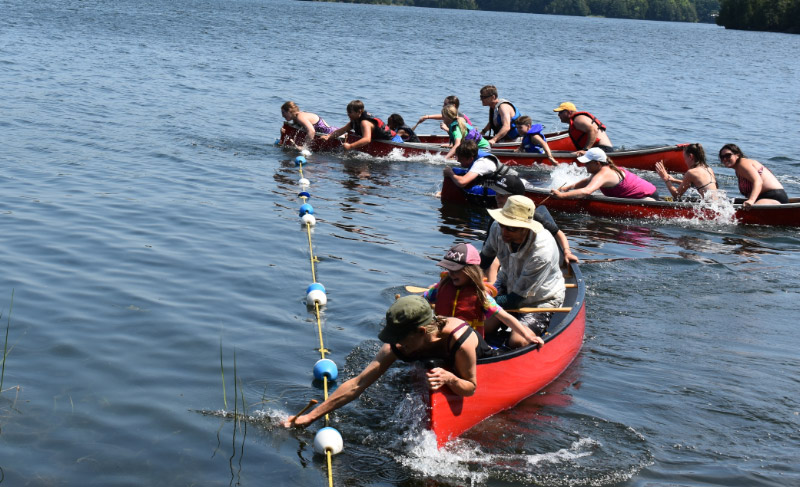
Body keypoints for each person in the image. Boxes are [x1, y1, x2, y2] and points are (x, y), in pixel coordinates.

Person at [283, 295, 494, 428]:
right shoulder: (398, 345)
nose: (395, 343)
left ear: (421, 331)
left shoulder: (461, 341)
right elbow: (358, 384)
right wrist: (310, 417)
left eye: (400, 338)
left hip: (477, 360)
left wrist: (450, 378)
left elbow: (470, 388)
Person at [423, 243, 543, 348]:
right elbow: (423, 301)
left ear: (470, 271)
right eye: (449, 269)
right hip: (443, 338)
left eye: (456, 270)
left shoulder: (480, 295)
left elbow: (505, 317)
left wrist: (527, 336)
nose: (452, 274)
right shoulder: (442, 286)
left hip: (469, 343)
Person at [479, 195, 566, 336]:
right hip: (507, 283)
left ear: (526, 228)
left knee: (518, 341)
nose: (504, 232)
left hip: (538, 299)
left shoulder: (542, 250)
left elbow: (516, 299)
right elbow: (483, 260)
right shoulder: (497, 227)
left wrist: (482, 301)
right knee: (480, 328)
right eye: (502, 225)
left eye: (511, 228)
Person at [487, 174, 579, 269]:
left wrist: (567, 252)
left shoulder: (529, 217)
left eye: (502, 195)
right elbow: (488, 250)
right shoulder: (495, 218)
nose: (497, 198)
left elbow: (558, 233)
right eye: (496, 194)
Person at [551, 148, 659, 200]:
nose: (585, 165)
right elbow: (586, 182)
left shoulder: (604, 173)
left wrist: (562, 196)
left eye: (587, 163)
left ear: (597, 163)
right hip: (649, 192)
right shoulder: (601, 170)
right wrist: (567, 188)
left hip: (647, 197)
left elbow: (587, 191)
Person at [718, 143, 788, 208]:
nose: (724, 159)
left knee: (749, 210)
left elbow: (758, 181)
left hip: (774, 197)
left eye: (728, 155)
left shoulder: (743, 163)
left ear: (737, 155)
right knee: (726, 203)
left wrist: (751, 200)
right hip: (761, 198)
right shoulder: (738, 170)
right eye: (722, 157)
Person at [320, 100, 403, 151]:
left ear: (359, 112)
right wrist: (329, 136)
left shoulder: (365, 122)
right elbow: (341, 131)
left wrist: (350, 146)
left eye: (350, 113)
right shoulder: (354, 121)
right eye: (347, 113)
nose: (348, 115)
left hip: (394, 140)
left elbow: (367, 139)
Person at [443, 139, 516, 189]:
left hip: (513, 184)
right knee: (456, 172)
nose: (458, 161)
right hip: (501, 181)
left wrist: (450, 173)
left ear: (470, 158)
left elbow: (462, 182)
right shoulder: (474, 154)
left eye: (461, 159)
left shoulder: (481, 163)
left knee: (454, 174)